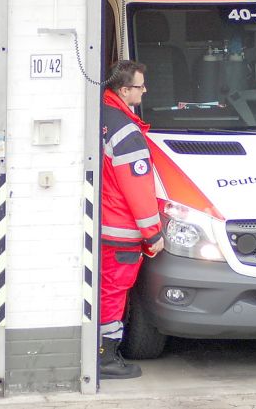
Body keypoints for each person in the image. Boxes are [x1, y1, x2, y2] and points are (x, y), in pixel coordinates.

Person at [99, 60, 165, 379]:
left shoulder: (100, 117)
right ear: (124, 90)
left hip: (99, 224)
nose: (145, 90)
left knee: (102, 290)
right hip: (120, 229)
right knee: (113, 292)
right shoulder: (125, 130)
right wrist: (153, 234)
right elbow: (138, 189)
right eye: (140, 86)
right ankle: (106, 357)